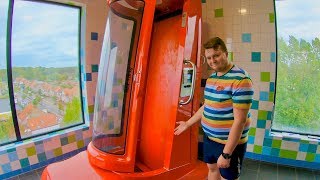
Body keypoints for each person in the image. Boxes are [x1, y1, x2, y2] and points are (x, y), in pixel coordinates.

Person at [174, 37, 254, 180]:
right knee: (212, 170)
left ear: (226, 53)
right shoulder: (212, 78)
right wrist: (188, 123)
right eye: (209, 57)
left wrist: (226, 154)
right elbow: (207, 106)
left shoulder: (241, 80)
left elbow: (240, 121)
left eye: (216, 55)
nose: (212, 61)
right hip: (210, 138)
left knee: (227, 177)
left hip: (228, 144)